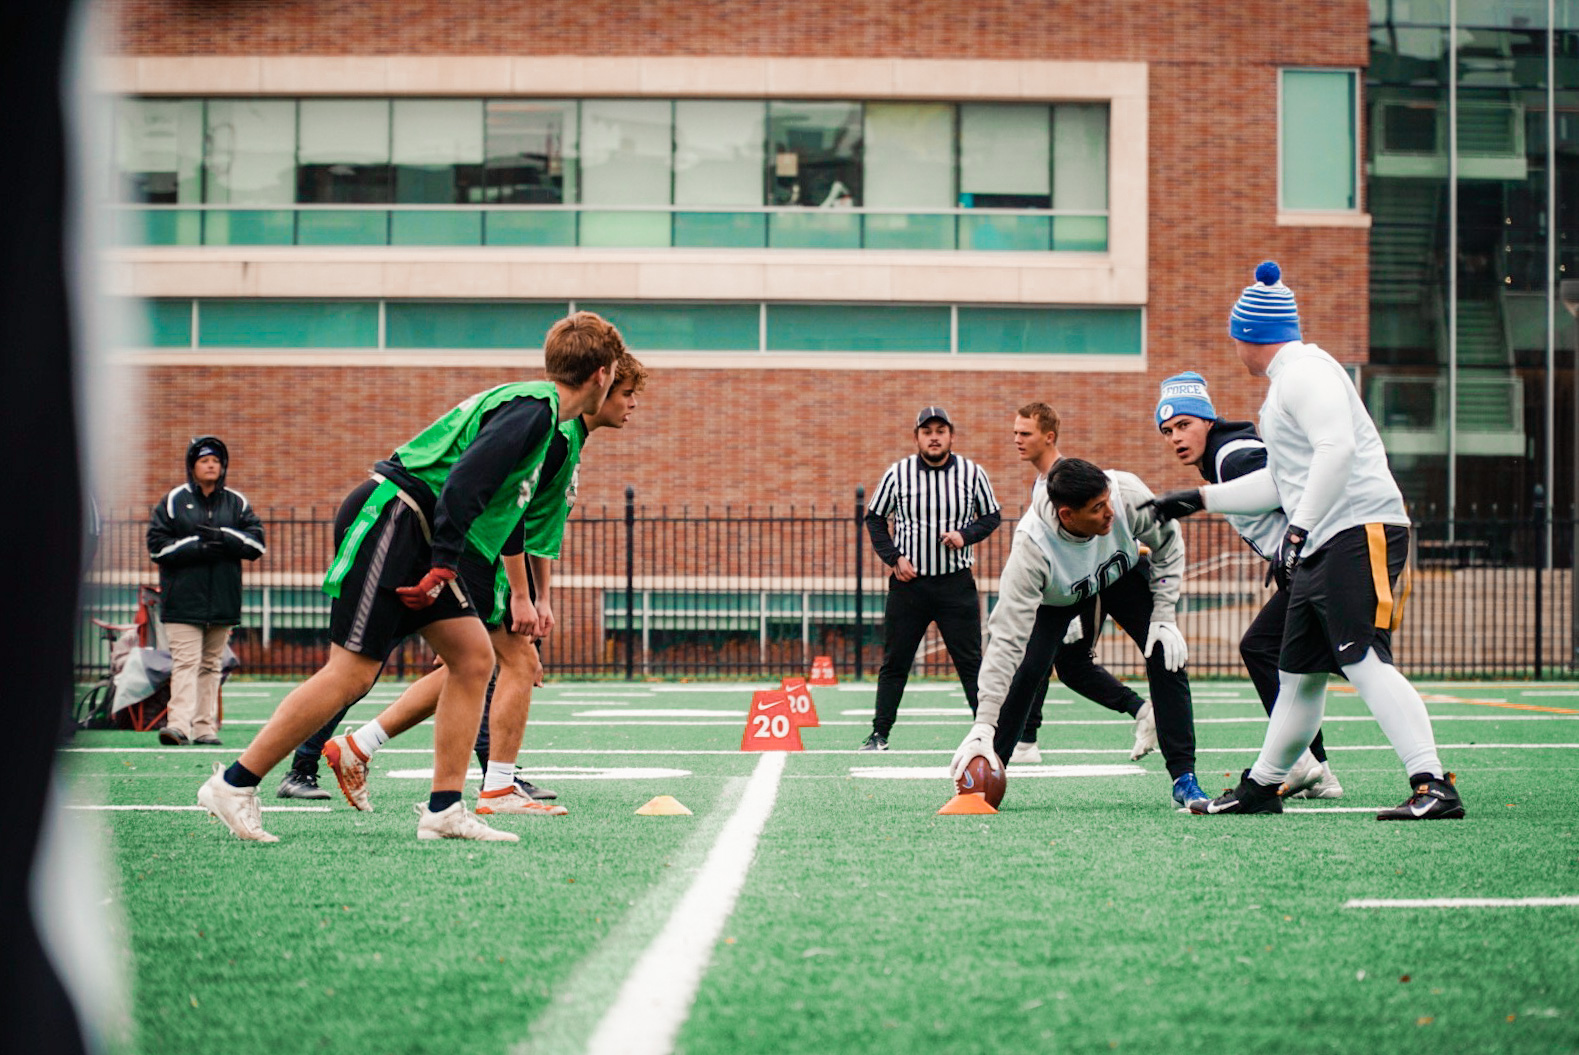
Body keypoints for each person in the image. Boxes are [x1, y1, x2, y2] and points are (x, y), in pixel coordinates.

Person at [196, 311, 621, 842]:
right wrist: (444, 564)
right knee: (351, 672)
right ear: (602, 373)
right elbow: (465, 482)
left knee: (473, 658)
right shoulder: (536, 411)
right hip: (397, 519)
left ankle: (444, 808)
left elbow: (496, 504)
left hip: (418, 530)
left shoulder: (542, 410)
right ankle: (235, 783)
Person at [1144, 261, 1462, 819]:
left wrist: (1296, 528)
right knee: (1296, 673)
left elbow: (1335, 449)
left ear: (1248, 335)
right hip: (1329, 539)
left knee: (1363, 659)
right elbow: (1283, 478)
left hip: (1356, 530)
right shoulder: (1288, 383)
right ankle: (1263, 786)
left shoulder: (1305, 372)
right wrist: (1198, 499)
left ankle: (1433, 783)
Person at [291, 351, 649, 816]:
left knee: (469, 664)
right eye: (626, 392)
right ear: (599, 384)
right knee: (503, 662)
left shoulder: (568, 437)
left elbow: (535, 527)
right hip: (469, 554)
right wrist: (521, 595)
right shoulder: (554, 431)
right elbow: (506, 512)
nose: (632, 403)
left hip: (472, 556)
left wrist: (541, 596)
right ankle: (490, 785)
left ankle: (361, 750)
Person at [949, 457, 1209, 810]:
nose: (1110, 513)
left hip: (1122, 576)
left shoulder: (1126, 494)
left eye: (1107, 501)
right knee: (1028, 671)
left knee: (1164, 651)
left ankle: (1184, 776)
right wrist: (983, 723)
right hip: (1060, 597)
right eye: (1097, 508)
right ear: (1067, 515)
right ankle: (989, 771)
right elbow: (1005, 641)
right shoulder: (1032, 548)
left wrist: (1164, 614)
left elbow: (1169, 545)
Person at [1153, 372, 1341, 798]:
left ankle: (1306, 761)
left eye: (1184, 425)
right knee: (1297, 664)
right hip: (1312, 567)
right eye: (1167, 431)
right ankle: (1319, 771)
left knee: (1273, 650)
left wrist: (1294, 544)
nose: (1175, 438)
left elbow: (1288, 488)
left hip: (1323, 563)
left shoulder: (1232, 457)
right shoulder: (1221, 457)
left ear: (1208, 421)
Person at [1008, 403, 1153, 765]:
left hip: (1095, 583)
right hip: (1068, 588)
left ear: (1049, 436)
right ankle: (1026, 739)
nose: (1017, 440)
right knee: (1054, 662)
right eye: (1015, 433)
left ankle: (1026, 739)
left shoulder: (1067, 481)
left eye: (1025, 433)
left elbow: (1102, 537)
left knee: (1057, 660)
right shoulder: (1044, 483)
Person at [861, 406, 1002, 750]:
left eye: (941, 430)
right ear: (917, 438)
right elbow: (875, 519)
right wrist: (894, 558)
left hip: (955, 584)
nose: (934, 436)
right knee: (895, 662)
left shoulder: (972, 473)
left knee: (970, 663)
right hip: (910, 586)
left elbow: (992, 516)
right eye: (927, 431)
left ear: (951, 436)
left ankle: (990, 734)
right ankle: (880, 734)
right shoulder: (898, 474)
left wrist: (964, 536)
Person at [146, 436, 266, 747]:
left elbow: (256, 544)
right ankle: (178, 726)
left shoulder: (236, 502)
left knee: (212, 665)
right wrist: (197, 546)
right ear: (192, 466)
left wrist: (224, 537)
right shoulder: (173, 501)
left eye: (216, 460)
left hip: (223, 601)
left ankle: (204, 728)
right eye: (204, 460)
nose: (211, 465)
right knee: (186, 662)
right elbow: (157, 548)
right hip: (183, 601)